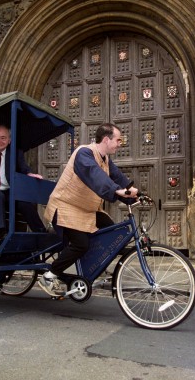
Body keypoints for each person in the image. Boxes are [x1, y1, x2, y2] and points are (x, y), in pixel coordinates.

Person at [38, 123, 139, 297]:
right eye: (118, 140)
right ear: (106, 140)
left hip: (86, 209)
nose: (120, 143)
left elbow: (119, 178)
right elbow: (94, 174)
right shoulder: (84, 153)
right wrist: (116, 190)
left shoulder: (106, 159)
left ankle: (93, 265)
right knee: (80, 244)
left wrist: (136, 194)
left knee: (115, 231)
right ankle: (49, 275)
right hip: (66, 207)